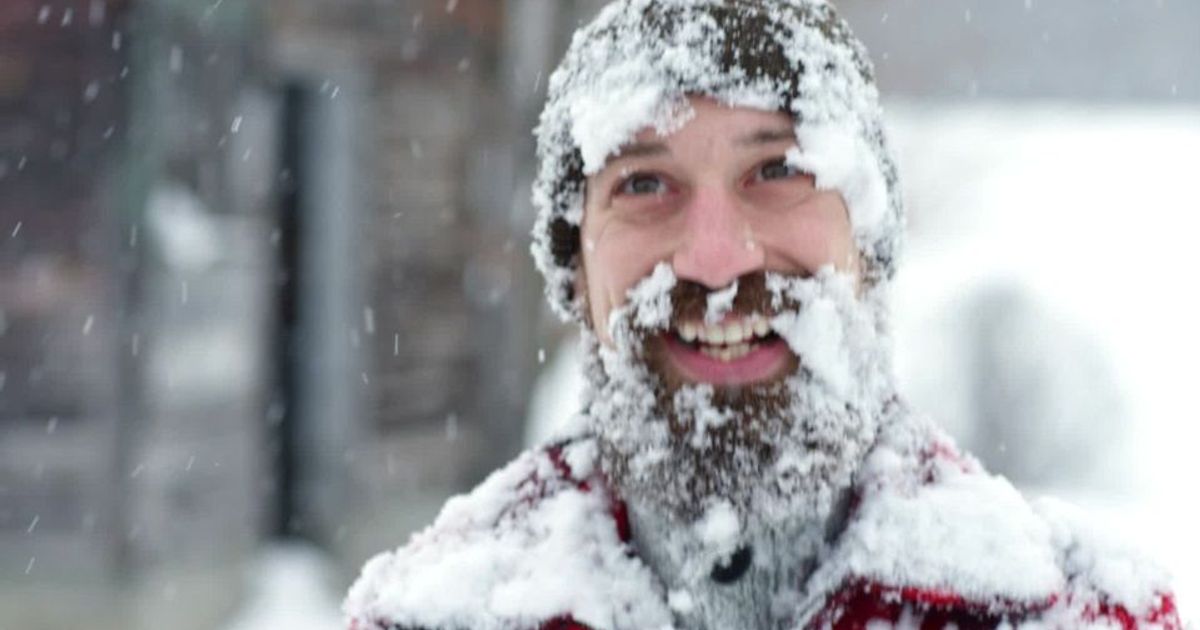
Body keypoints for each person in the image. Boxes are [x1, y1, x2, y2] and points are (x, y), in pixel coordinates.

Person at [344, 1, 1183, 628]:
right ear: (574, 268)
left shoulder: (1079, 615)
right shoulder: (425, 617)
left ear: (871, 241)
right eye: (643, 184)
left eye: (777, 171)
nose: (716, 258)